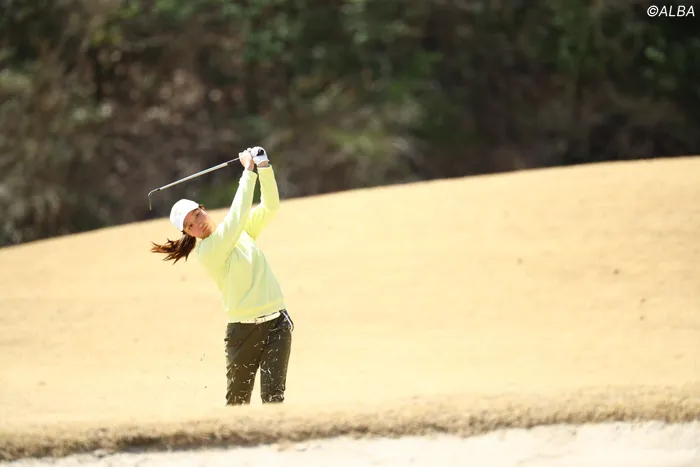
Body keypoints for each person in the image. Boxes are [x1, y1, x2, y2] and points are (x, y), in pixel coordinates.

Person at [150, 146, 294, 406]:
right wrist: (247, 171)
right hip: (243, 331)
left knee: (274, 400)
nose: (198, 223)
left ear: (203, 209)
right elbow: (236, 218)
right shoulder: (208, 251)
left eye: (197, 215)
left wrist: (263, 167)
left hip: (277, 324)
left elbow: (270, 207)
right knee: (237, 403)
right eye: (190, 226)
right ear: (188, 234)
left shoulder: (240, 232)